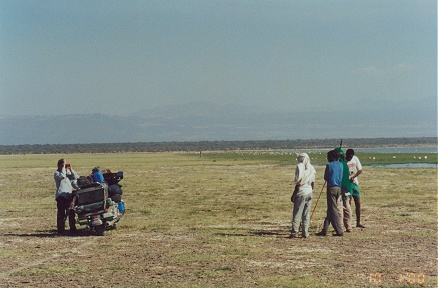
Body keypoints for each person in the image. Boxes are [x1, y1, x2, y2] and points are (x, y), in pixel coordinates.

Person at [316, 150, 344, 236]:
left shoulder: (329, 165)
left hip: (331, 188)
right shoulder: (341, 164)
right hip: (339, 188)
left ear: (332, 157)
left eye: (328, 157)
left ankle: (339, 231)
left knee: (333, 209)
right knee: (330, 209)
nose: (327, 158)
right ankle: (324, 230)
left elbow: (326, 177)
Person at [289, 153, 316, 239]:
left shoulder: (300, 167)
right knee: (306, 214)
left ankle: (294, 232)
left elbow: (298, 182)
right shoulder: (311, 168)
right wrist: (311, 191)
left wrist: (293, 194)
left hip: (301, 192)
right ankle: (305, 233)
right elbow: (313, 183)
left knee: (297, 213)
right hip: (309, 192)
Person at [54, 158, 78, 235]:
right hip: (61, 196)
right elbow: (62, 176)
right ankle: (60, 231)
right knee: (61, 214)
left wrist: (71, 169)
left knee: (71, 213)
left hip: (68, 195)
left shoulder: (67, 172)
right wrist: (63, 168)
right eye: (63, 164)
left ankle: (72, 229)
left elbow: (75, 177)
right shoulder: (57, 173)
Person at [335, 147, 353, 232]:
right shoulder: (345, 164)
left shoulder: (338, 164)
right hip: (347, 188)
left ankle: (340, 227)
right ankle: (349, 226)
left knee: (339, 208)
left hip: (340, 188)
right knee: (347, 207)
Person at [346, 149, 365, 228]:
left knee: (358, 203)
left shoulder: (355, 159)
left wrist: (354, 177)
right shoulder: (343, 161)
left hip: (355, 184)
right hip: (347, 184)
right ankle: (348, 223)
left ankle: (358, 222)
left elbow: (360, 170)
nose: (349, 158)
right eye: (348, 157)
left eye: (351, 157)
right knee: (348, 204)